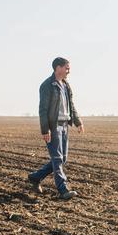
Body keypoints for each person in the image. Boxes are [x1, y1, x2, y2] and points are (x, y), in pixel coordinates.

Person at [27, 57, 84, 199]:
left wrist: (78, 122)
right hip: (53, 127)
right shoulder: (47, 85)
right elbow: (43, 109)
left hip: (65, 125)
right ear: (58, 68)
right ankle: (63, 189)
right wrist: (45, 130)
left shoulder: (66, 85)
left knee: (62, 159)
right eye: (66, 68)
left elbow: (71, 106)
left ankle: (35, 177)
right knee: (57, 158)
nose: (68, 71)